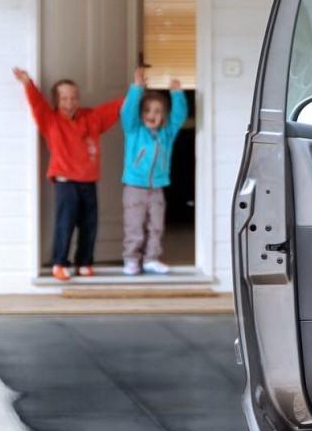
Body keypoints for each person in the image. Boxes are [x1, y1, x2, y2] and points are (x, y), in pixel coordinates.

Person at [12, 68, 124, 281]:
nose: (70, 102)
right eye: (64, 98)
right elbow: (37, 104)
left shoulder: (91, 117)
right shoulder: (50, 120)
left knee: (90, 224)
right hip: (65, 182)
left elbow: (116, 107)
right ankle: (60, 263)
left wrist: (137, 90)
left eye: (73, 97)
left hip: (89, 182)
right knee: (66, 222)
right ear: (56, 100)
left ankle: (84, 262)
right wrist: (28, 83)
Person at [120, 67, 187, 275]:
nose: (152, 115)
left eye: (158, 112)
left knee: (156, 225)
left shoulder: (166, 134)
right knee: (134, 226)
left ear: (163, 116)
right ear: (141, 114)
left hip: (157, 187)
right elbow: (127, 111)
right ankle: (131, 259)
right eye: (148, 110)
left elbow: (179, 116)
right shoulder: (134, 130)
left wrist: (176, 94)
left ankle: (151, 259)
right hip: (134, 187)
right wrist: (137, 87)